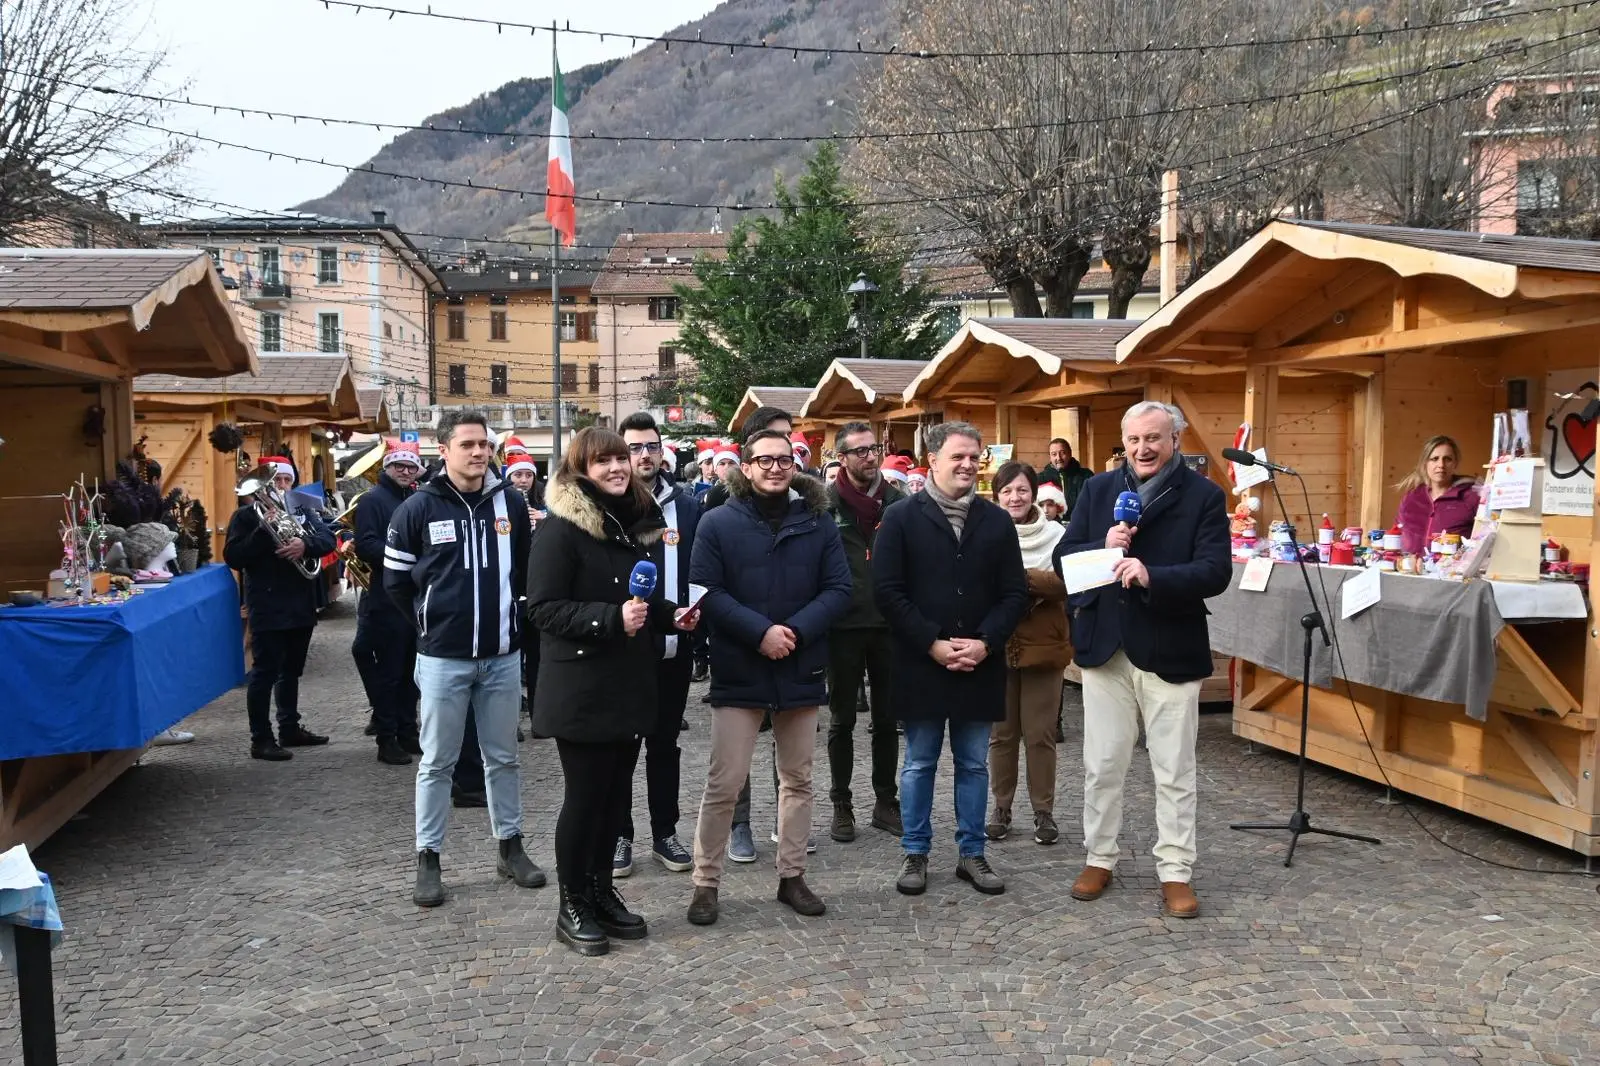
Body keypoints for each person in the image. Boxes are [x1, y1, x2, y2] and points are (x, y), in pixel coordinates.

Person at [1054, 401, 1230, 919]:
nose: (1143, 449)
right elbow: (1063, 562)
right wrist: (1101, 545)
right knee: (1102, 764)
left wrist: (1154, 575)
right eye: (1133, 440)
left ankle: (1175, 871)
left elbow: (1215, 571)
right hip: (1105, 646)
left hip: (1170, 647)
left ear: (1174, 438)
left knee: (1174, 769)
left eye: (1153, 438)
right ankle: (1099, 856)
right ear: (1123, 442)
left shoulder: (1204, 496)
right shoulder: (1098, 490)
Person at [528, 427, 696, 955]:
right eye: (604, 462)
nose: (619, 468)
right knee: (585, 800)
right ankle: (572, 903)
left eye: (621, 459)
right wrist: (609, 619)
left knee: (612, 797)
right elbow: (543, 608)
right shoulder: (560, 532)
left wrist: (673, 617)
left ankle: (602, 892)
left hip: (627, 684)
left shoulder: (632, 527)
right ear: (581, 470)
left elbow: (636, 606)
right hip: (581, 689)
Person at [685, 429, 852, 926]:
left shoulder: (818, 522)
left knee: (797, 779)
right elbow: (705, 589)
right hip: (741, 663)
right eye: (765, 460)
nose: (775, 468)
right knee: (725, 781)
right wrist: (759, 633)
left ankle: (792, 875)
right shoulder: (717, 522)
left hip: (801, 662)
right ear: (746, 466)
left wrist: (794, 632)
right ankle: (705, 883)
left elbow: (839, 588)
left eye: (784, 460)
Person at [383, 410, 544, 908]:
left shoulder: (510, 503)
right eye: (468, 444)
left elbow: (523, 573)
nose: (478, 453)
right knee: (437, 762)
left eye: (484, 445)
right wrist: (432, 627)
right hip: (442, 660)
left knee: (503, 758)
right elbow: (395, 583)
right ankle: (428, 857)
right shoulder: (418, 508)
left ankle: (510, 847)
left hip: (500, 656)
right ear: (444, 450)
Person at [872, 423, 1028, 897]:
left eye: (974, 458)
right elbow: (888, 592)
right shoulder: (900, 517)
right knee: (919, 763)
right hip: (921, 661)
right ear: (932, 459)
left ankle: (971, 853)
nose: (967, 465)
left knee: (974, 764)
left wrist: (986, 642)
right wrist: (932, 643)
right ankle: (915, 851)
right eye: (958, 456)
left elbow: (1014, 592)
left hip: (979, 662)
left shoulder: (996, 520)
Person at [616, 412, 701, 877]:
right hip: (627, 650)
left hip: (676, 646)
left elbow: (703, 564)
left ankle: (664, 833)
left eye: (650, 446)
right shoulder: (611, 504)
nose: (643, 455)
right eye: (634, 447)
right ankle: (619, 835)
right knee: (624, 747)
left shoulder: (686, 506)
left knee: (664, 745)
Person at [224, 455, 338, 761]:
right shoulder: (246, 517)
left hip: (300, 601)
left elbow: (328, 539)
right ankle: (261, 738)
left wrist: (306, 546)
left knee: (291, 670)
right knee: (265, 672)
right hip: (268, 602)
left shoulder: (302, 510)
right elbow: (234, 556)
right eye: (275, 481)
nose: (280, 486)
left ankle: (290, 727)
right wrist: (264, 530)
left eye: (286, 480)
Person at [823, 421, 904, 843]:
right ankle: (841, 802)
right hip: (843, 626)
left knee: (888, 720)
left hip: (889, 624)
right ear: (842, 457)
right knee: (842, 720)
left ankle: (885, 801)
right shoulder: (825, 504)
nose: (870, 457)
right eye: (860, 451)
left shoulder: (897, 500)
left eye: (874, 449)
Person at [984, 462, 1071, 847]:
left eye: (1021, 490)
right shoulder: (986, 533)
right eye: (1007, 491)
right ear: (997, 496)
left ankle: (1043, 811)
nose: (1014, 498)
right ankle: (1001, 807)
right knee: (1002, 735)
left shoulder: (1057, 535)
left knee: (1040, 734)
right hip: (998, 643)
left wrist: (1018, 580)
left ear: (1033, 493)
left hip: (1044, 645)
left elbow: (1066, 582)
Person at [351, 443, 424, 765]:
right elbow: (365, 545)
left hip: (411, 599)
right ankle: (387, 738)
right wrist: (406, 556)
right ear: (388, 468)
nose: (406, 471)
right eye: (399, 467)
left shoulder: (415, 498)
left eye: (411, 467)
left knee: (411, 674)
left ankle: (408, 732)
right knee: (390, 674)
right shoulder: (371, 501)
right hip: (385, 599)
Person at [1397, 435, 1480, 555]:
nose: (1441, 465)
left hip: (1451, 571)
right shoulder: (1411, 498)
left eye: (1447, 459)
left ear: (1455, 463)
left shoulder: (1471, 497)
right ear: (1425, 463)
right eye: (1434, 459)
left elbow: (1485, 539)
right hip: (1411, 570)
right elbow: (1396, 533)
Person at [1037, 438, 1092, 516]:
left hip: (1080, 523)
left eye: (1062, 453)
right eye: (1054, 454)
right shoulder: (1041, 479)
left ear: (1070, 453)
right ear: (1050, 457)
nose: (1058, 458)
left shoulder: (1086, 476)